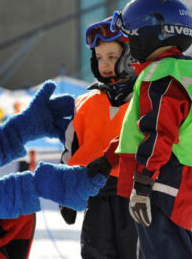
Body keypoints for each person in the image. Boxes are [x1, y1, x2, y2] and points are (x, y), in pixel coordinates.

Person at [110, 0, 192, 259]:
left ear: (152, 35)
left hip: (161, 180)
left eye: (131, 37)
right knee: (168, 247)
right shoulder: (184, 72)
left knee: (163, 249)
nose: (129, 45)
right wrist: (109, 157)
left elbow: (158, 133)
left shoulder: (161, 78)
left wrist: (143, 185)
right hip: (180, 178)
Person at [60, 16, 139, 259]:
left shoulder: (144, 97)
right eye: (99, 57)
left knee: (135, 252)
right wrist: (67, 194)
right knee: (96, 251)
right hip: (95, 191)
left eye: (112, 57)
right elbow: (71, 150)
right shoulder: (85, 101)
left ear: (129, 57)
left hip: (135, 191)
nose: (104, 64)